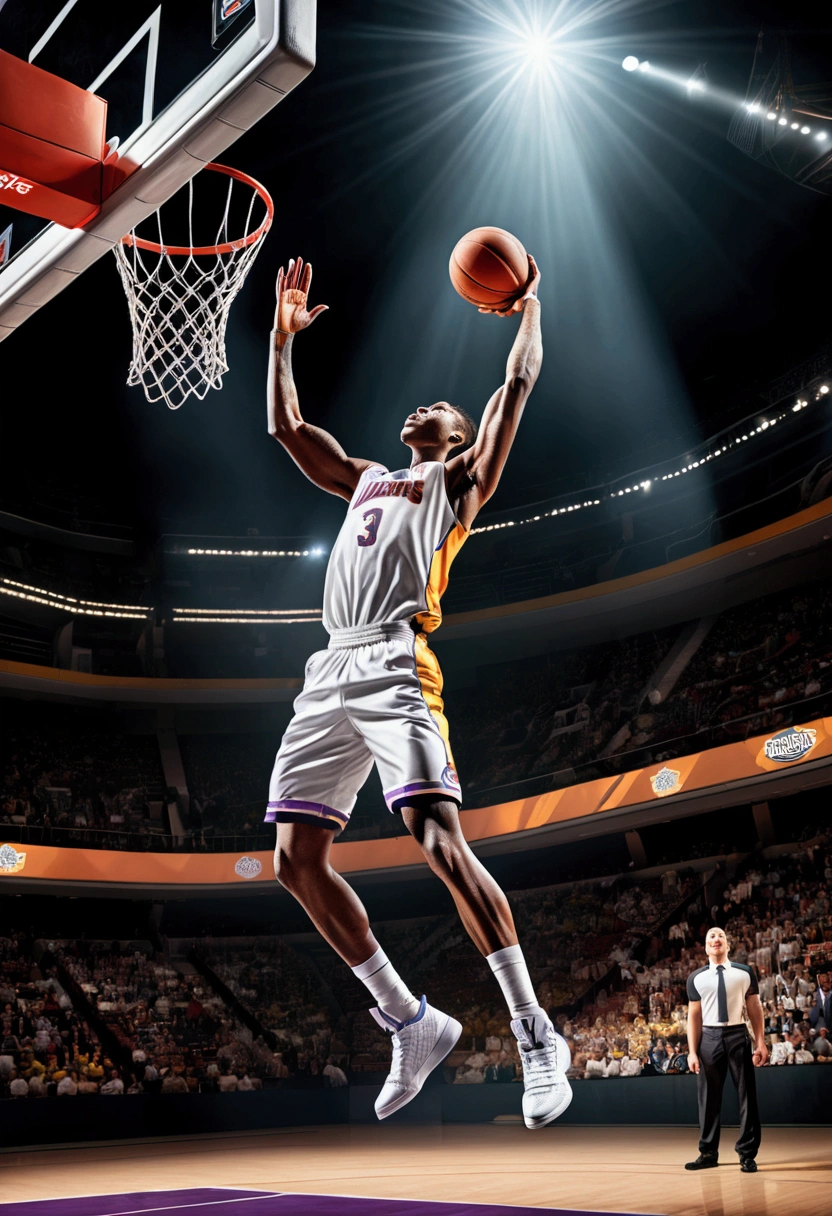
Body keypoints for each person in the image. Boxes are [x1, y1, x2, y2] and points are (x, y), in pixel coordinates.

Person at [263, 255, 570, 1131]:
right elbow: (286, 426)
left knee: (436, 838)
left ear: (457, 433)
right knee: (293, 861)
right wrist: (280, 340)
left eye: (440, 405)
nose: (423, 404)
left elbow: (518, 382)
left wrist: (527, 307)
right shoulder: (363, 473)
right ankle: (411, 1021)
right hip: (330, 666)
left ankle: (535, 1033)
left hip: (399, 659)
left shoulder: (460, 483)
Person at [685, 927, 768, 1174]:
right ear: (706, 946)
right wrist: (692, 1051)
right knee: (708, 1098)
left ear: (727, 944)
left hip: (737, 1034)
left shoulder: (744, 973)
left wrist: (760, 1043)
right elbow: (693, 1016)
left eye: (720, 935)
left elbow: (755, 1008)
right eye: (710, 935)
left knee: (746, 1096)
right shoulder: (695, 978)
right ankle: (708, 1153)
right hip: (709, 1038)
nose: (715, 938)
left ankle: (747, 1154)